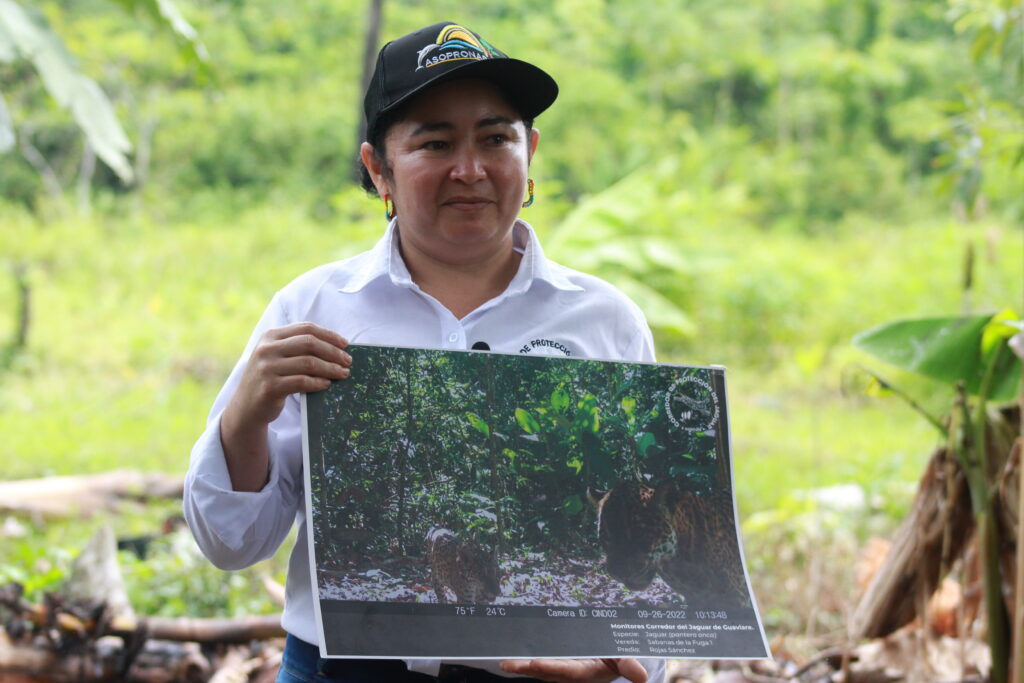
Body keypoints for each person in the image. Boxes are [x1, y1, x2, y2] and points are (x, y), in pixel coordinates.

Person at [183, 21, 664, 683]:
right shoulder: (314, 308)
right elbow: (232, 542)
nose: (469, 169)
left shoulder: (605, 322)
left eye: (496, 138)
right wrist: (244, 415)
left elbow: (652, 541)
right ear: (377, 168)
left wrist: (616, 666)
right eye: (435, 142)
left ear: (531, 153)